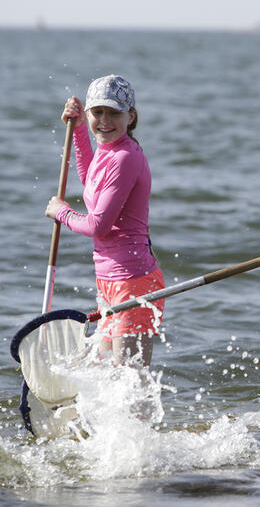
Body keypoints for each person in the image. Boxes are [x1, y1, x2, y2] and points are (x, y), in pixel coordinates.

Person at [45, 74, 165, 367]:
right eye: (97, 112)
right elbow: (90, 183)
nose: (104, 120)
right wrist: (76, 131)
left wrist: (62, 212)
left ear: (131, 116)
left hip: (133, 283)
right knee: (96, 369)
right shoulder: (108, 151)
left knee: (131, 382)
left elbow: (98, 224)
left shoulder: (126, 157)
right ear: (88, 115)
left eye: (114, 113)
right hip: (109, 281)